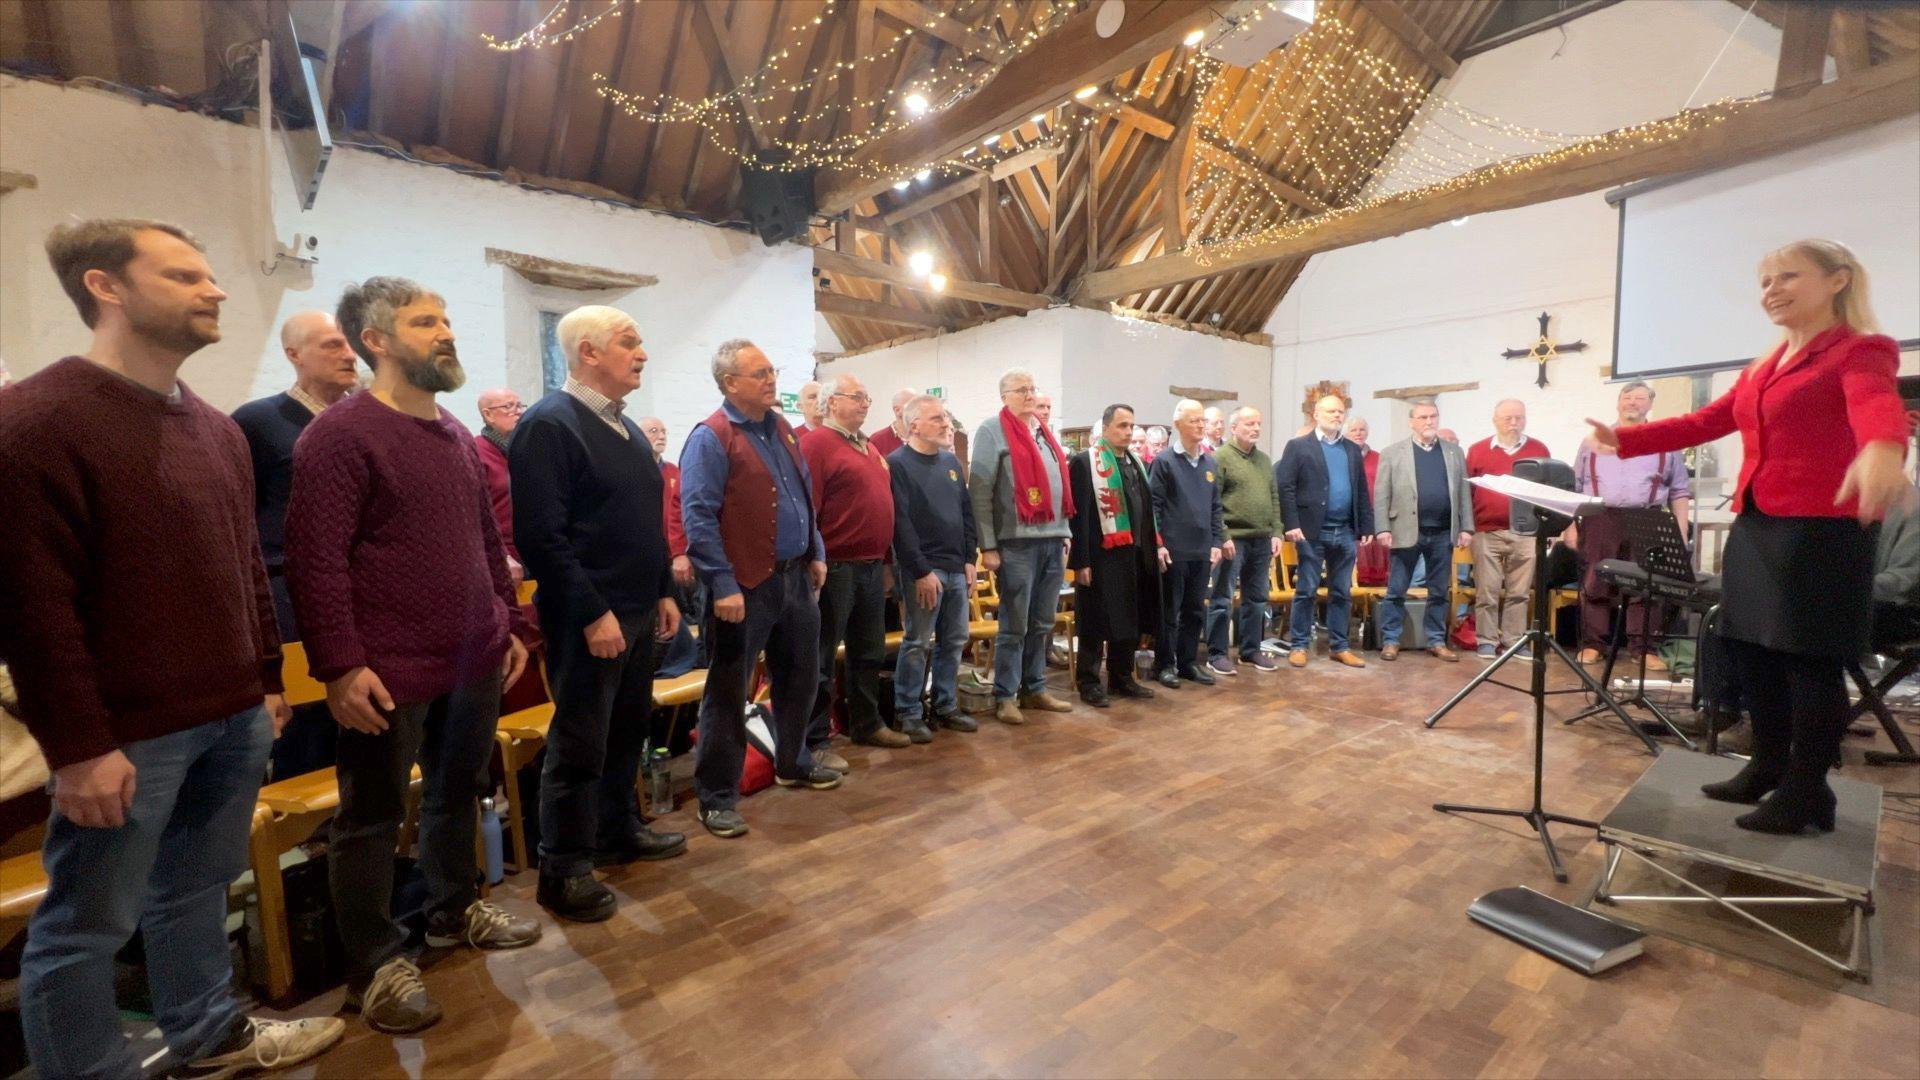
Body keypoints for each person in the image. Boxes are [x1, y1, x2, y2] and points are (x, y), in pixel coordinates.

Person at [0, 219, 343, 1077]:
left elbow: (245, 571)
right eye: (186, 275)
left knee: (195, 888)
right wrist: (78, 747)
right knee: (86, 926)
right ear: (106, 288)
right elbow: (31, 609)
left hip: (232, 716)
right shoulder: (35, 421)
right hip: (126, 734)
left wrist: (266, 678)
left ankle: (208, 1035)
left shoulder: (217, 430)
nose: (216, 289)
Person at [287, 277, 539, 1035]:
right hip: (387, 669)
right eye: (426, 321)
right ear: (378, 339)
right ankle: (376, 966)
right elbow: (316, 559)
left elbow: (487, 543)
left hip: (471, 655)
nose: (445, 331)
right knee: (369, 817)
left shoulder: (454, 432)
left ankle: (453, 911)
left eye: (445, 317)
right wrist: (338, 664)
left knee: (457, 791)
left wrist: (511, 629)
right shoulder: (340, 433)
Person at [1588, 239, 1906, 834]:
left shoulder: (1860, 350)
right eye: (1765, 281)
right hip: (1759, 522)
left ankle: (1809, 790)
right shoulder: (1763, 366)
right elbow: (1707, 421)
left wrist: (1885, 449)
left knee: (1809, 662)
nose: (1772, 290)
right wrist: (1626, 438)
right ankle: (1765, 767)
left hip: (1824, 530)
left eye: (1788, 277)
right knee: (1750, 651)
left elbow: (1874, 405)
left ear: (1838, 280)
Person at [508, 306, 687, 925]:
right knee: (581, 739)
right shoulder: (549, 425)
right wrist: (591, 613)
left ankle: (618, 830)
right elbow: (541, 538)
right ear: (588, 352)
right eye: (629, 343)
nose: (642, 353)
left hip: (639, 609)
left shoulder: (626, 428)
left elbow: (645, 525)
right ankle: (563, 868)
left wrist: (664, 589)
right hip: (593, 617)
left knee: (626, 730)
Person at [681, 340, 838, 839]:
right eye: (759, 373)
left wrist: (815, 551)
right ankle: (717, 796)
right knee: (729, 691)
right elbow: (698, 517)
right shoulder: (712, 437)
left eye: (772, 370)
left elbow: (802, 498)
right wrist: (722, 582)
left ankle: (793, 761)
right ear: (730, 383)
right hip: (743, 586)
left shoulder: (784, 429)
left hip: (794, 577)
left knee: (800, 677)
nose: (772, 380)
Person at [801, 373, 911, 756]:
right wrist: (813, 559)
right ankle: (814, 739)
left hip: (869, 566)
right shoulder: (816, 443)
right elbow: (807, 507)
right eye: (857, 397)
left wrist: (884, 563)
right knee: (822, 655)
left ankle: (867, 724)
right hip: (835, 566)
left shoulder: (865, 445)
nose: (866, 403)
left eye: (867, 397)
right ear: (832, 402)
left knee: (869, 650)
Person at [233, 310, 359, 640]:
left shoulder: (369, 422)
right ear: (294, 354)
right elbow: (237, 513)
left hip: (367, 589)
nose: (349, 355)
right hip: (293, 596)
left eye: (350, 345)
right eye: (333, 345)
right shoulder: (258, 422)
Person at [970, 368, 1076, 723]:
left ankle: (1035, 689)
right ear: (1005, 397)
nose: (1030, 395)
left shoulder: (1043, 432)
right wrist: (987, 546)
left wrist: (1066, 533)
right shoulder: (991, 430)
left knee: (1042, 622)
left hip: (1052, 541)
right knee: (1014, 625)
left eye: (1032, 388)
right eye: (1021, 390)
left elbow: (1060, 488)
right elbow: (980, 492)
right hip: (1016, 544)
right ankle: (1005, 695)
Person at [1568, 381, 1693, 666]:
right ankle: (1593, 644)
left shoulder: (1665, 442)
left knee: (1647, 582)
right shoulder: (1592, 443)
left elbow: (1679, 490)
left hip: (1647, 517)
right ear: (1618, 402)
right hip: (1600, 517)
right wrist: (1570, 526)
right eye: (1627, 397)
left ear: (1650, 405)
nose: (1633, 402)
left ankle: (1643, 648)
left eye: (1640, 398)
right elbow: (1575, 486)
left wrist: (1682, 530)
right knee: (1595, 579)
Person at [889, 395, 981, 732]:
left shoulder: (951, 463)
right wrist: (920, 571)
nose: (947, 425)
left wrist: (970, 559)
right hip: (924, 570)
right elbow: (900, 524)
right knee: (917, 642)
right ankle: (909, 712)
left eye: (947, 418)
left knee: (954, 641)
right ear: (914, 425)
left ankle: (945, 705)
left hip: (956, 567)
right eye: (938, 419)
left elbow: (966, 513)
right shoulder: (897, 464)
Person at [1069, 404, 1163, 706]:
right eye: (1122, 425)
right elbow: (1078, 516)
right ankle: (1089, 681)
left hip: (1134, 554)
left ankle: (1122, 676)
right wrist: (1080, 561)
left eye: (1131, 426)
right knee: (1096, 620)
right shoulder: (1086, 463)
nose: (1128, 431)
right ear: (1106, 428)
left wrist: (1154, 545)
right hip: (1101, 555)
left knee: (1129, 619)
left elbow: (1147, 509)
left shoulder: (1136, 462)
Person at [1276, 392, 1376, 669]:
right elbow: (1286, 488)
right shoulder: (1298, 446)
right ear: (1316, 415)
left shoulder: (1352, 450)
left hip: (1344, 530)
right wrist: (1291, 524)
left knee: (1341, 591)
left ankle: (1339, 646)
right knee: (1306, 589)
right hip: (1311, 531)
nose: (1337, 416)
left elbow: (1360, 490)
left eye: (1340, 412)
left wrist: (1366, 524)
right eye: (1331, 411)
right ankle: (1298, 645)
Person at [1372, 400, 1472, 662]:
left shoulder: (1453, 452)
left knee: (1439, 591)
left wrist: (1467, 527)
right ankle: (1391, 640)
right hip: (1405, 530)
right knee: (1397, 589)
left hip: (1442, 532)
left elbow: (1464, 493)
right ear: (1411, 422)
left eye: (1433, 416)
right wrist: (1382, 527)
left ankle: (1436, 640)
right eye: (1423, 417)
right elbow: (1382, 494)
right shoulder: (1392, 453)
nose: (1429, 422)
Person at [1149, 399, 1226, 688]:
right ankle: (1164, 664)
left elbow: (1216, 506)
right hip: (1173, 549)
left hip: (1202, 549)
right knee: (1171, 610)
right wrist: (1158, 544)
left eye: (1202, 420)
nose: (1200, 425)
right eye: (1193, 420)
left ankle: (1187, 662)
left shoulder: (1209, 463)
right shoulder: (1165, 461)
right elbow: (1154, 507)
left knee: (1195, 609)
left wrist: (1217, 541)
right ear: (1178, 424)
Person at [1465, 400, 1550, 658]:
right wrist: (1468, 528)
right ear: (1495, 420)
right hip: (1486, 531)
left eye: (1519, 418)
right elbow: (1467, 491)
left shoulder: (1539, 449)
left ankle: (1514, 641)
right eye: (1508, 418)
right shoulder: (1477, 450)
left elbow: (1547, 491)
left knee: (1520, 593)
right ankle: (1486, 641)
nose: (1514, 423)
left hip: (1526, 533)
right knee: (1487, 591)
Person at [1207, 406, 1281, 675]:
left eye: (1258, 423)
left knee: (1257, 598)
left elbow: (1274, 497)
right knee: (1223, 598)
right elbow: (1213, 502)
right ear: (1234, 427)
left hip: (1261, 539)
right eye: (1250, 423)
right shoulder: (1220, 458)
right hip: (1233, 540)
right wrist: (1222, 535)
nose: (1256, 428)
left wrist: (1277, 531)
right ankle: (1216, 654)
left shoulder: (1263, 460)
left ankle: (1251, 650)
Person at [641, 415, 704, 670]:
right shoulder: (637, 469)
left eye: (664, 430)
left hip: (676, 552)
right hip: (652, 556)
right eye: (653, 431)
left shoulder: (674, 471)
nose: (661, 435)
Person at [474, 386, 526, 584]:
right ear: (488, 415)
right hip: (500, 559)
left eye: (520, 405)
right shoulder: (477, 451)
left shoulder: (524, 449)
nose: (518, 411)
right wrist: (502, 555)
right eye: (508, 406)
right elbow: (476, 514)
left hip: (530, 554)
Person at [1347, 416, 1391, 590]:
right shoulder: (1344, 455)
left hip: (1376, 516)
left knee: (1380, 569)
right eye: (1353, 430)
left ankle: (1374, 608)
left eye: (1362, 430)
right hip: (1353, 519)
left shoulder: (1378, 458)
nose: (1358, 433)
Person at [868, 386, 916, 456]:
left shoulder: (925, 437)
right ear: (897, 410)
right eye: (912, 405)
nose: (919, 410)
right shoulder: (877, 440)